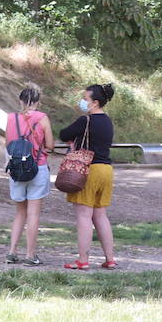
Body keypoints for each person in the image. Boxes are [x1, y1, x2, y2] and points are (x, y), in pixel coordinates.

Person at [58, 83, 116, 270]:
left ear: (95, 103)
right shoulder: (107, 121)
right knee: (101, 215)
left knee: (84, 215)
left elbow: (64, 133)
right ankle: (110, 259)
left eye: (85, 99)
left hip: (88, 169)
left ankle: (83, 260)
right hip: (106, 170)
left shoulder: (86, 121)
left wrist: (72, 140)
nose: (82, 102)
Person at [5, 83, 54, 266]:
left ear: (20, 100)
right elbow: (50, 145)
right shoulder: (42, 118)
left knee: (20, 213)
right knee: (33, 214)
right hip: (37, 167)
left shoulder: (11, 118)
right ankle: (30, 255)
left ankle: (11, 252)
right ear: (37, 101)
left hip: (16, 170)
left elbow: (8, 144)